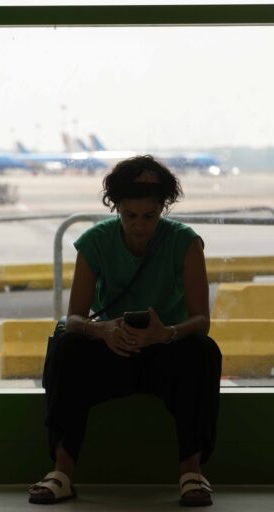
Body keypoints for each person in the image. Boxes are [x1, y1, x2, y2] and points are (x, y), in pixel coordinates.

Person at [28, 155, 221, 507]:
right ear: (116, 208)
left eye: (149, 216)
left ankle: (191, 471)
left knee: (203, 351)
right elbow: (73, 318)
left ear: (163, 208)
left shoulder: (185, 242)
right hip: (112, 346)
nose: (139, 226)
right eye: (130, 216)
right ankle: (62, 472)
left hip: (164, 347)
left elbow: (201, 320)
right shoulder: (96, 242)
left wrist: (166, 334)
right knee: (68, 347)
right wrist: (102, 331)